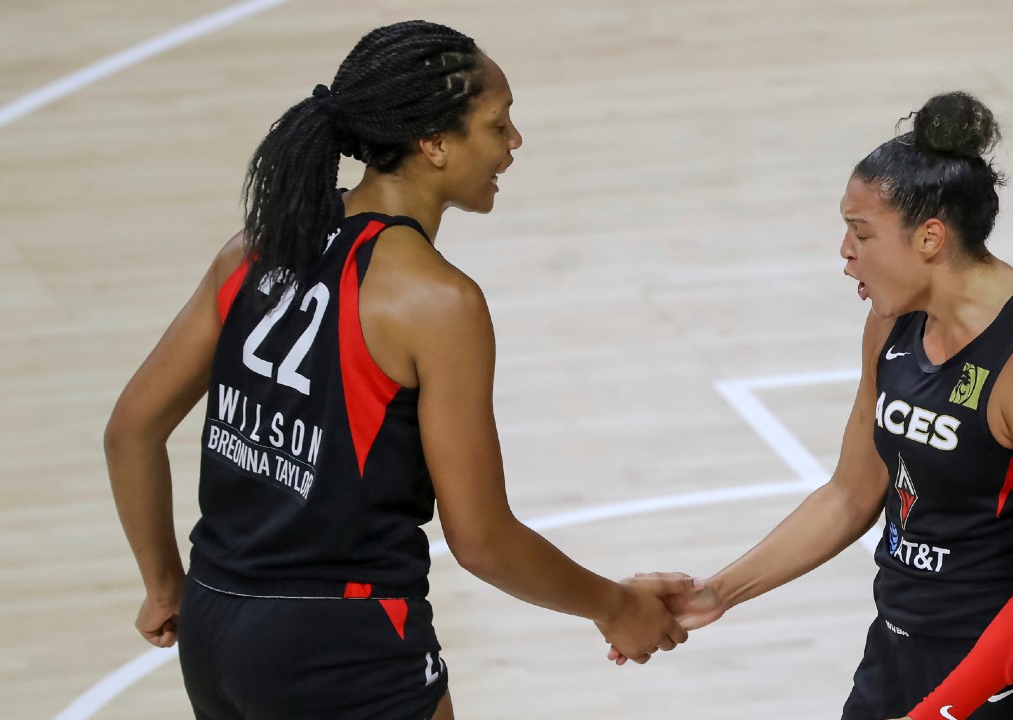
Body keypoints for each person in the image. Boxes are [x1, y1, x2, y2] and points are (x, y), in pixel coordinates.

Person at [104, 20, 690, 720]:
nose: (514, 144)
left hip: (215, 626)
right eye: (497, 125)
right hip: (342, 643)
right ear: (434, 144)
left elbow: (130, 429)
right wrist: (616, 605)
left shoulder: (254, 251)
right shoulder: (437, 303)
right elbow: (481, 540)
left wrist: (166, 587)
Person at [620, 92, 1013, 719]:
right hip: (898, 658)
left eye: (861, 233)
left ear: (930, 238)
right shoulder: (892, 325)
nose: (844, 251)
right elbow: (851, 494)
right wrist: (717, 592)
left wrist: (939, 713)